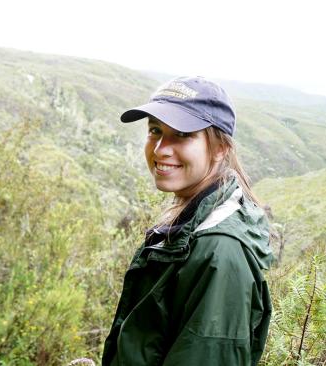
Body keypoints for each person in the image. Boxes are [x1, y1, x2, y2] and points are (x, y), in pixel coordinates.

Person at [102, 76, 273, 365]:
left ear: (220, 148)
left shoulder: (220, 252)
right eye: (155, 130)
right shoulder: (191, 221)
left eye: (182, 134)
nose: (160, 149)